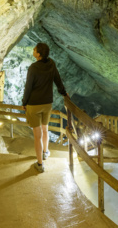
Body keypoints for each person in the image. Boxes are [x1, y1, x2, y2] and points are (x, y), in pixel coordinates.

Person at [22, 42, 68, 173]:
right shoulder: (51, 64)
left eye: (35, 49)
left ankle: (40, 164)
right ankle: (45, 152)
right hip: (47, 103)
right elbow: (57, 80)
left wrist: (24, 102)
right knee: (45, 130)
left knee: (37, 135)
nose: (33, 50)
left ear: (39, 54)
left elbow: (28, 87)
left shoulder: (33, 68)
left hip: (34, 104)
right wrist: (64, 93)